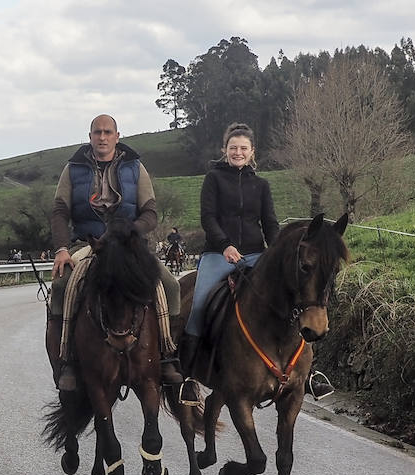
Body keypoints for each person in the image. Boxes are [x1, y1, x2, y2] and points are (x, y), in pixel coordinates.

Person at [48, 114, 182, 390]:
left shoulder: (135, 167)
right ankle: (67, 360)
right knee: (63, 286)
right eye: (97, 132)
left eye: (108, 132)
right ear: (90, 137)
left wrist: (130, 231)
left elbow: (150, 212)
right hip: (88, 244)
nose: (102, 137)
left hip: (128, 245)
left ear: (117, 136)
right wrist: (62, 248)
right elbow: (60, 210)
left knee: (169, 285)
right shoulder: (72, 169)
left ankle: (169, 354)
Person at [179, 122, 280, 402]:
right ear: (225, 150)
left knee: (287, 298)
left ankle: (306, 373)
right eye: (233, 148)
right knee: (198, 305)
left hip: (255, 253)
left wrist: (277, 250)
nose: (238, 152)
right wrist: (224, 245)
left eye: (243, 148)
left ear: (252, 152)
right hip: (218, 254)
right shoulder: (213, 178)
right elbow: (207, 218)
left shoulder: (261, 185)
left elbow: (269, 222)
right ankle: (187, 376)